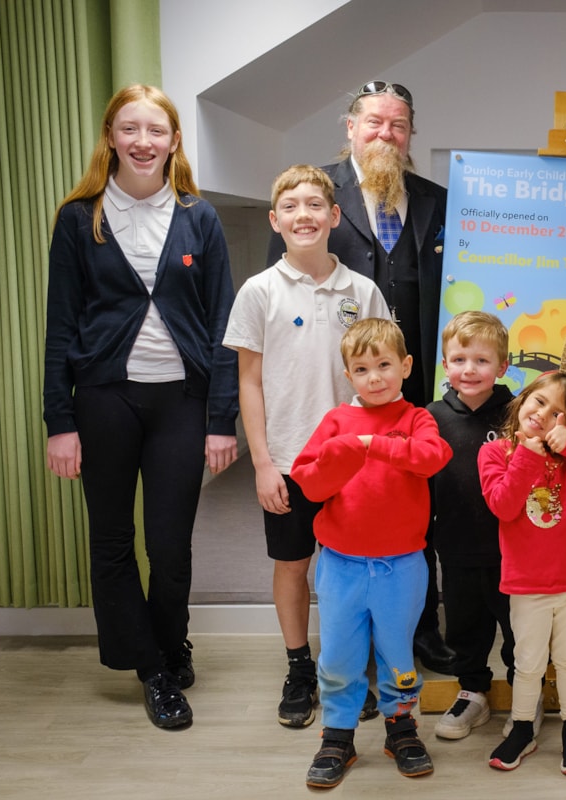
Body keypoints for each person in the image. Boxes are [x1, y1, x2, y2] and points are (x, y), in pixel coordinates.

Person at [43, 84, 238, 730]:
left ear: (174, 141)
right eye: (130, 129)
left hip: (180, 401)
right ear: (111, 138)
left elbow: (222, 330)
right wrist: (60, 423)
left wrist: (219, 420)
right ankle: (153, 668)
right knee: (112, 541)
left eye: (156, 130)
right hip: (103, 400)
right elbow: (60, 328)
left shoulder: (199, 218)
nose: (143, 142)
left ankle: (169, 637)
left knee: (170, 544)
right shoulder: (79, 219)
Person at [267, 80, 453, 673]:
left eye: (398, 125)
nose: (385, 135)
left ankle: (418, 630)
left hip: (416, 389)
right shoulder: (319, 195)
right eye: (374, 123)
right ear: (350, 128)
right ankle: (348, 644)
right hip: (350, 395)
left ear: (411, 134)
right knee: (347, 518)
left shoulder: (437, 199)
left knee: (415, 512)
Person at [223, 165, 390, 728]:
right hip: (291, 461)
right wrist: (263, 463)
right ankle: (299, 668)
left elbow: (384, 377)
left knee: (349, 570)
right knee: (293, 565)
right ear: (275, 220)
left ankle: (344, 669)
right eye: (290, 206)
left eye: (315, 204)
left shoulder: (362, 290)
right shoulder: (259, 291)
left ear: (334, 217)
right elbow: (248, 381)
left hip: (355, 461)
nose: (304, 215)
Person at [290, 318, 451, 787]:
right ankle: (338, 734)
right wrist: (344, 450)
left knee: (399, 653)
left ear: (405, 366)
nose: (375, 377)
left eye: (384, 365)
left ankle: (400, 725)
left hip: (402, 566)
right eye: (362, 369)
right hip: (340, 565)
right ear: (348, 375)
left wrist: (371, 445)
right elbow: (310, 482)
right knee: (339, 654)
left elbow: (432, 458)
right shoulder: (336, 421)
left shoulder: (418, 418)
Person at [478, 370, 566, 775]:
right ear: (523, 400)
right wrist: (528, 454)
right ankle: (523, 727)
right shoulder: (496, 452)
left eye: (558, 413)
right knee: (528, 662)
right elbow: (503, 506)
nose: (542, 414)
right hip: (526, 583)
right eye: (539, 401)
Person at [427, 311, 516, 740]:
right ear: (446, 364)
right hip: (457, 545)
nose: (469, 369)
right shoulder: (431, 418)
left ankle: (525, 694)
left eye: (482, 360)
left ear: (502, 366)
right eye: (459, 359)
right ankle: (473, 692)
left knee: (520, 629)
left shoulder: (519, 414)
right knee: (464, 625)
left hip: (515, 551)